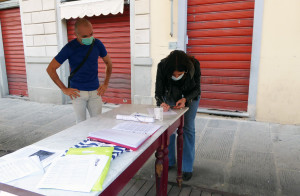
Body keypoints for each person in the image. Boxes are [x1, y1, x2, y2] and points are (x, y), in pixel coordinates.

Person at [47, 18, 112, 123]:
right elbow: (50, 69)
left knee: (98, 122)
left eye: (91, 34)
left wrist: (105, 84)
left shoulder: (97, 44)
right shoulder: (69, 48)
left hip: (95, 91)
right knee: (80, 125)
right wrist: (64, 89)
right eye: (85, 36)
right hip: (77, 93)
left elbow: (109, 63)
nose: (89, 38)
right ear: (76, 34)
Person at [155, 50, 201, 181]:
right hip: (170, 95)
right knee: (168, 128)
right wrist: (162, 103)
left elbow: (197, 89)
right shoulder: (162, 66)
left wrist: (185, 99)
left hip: (190, 97)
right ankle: (168, 160)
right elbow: (158, 91)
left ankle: (186, 167)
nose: (176, 76)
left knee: (188, 128)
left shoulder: (194, 64)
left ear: (186, 70)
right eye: (173, 75)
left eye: (180, 74)